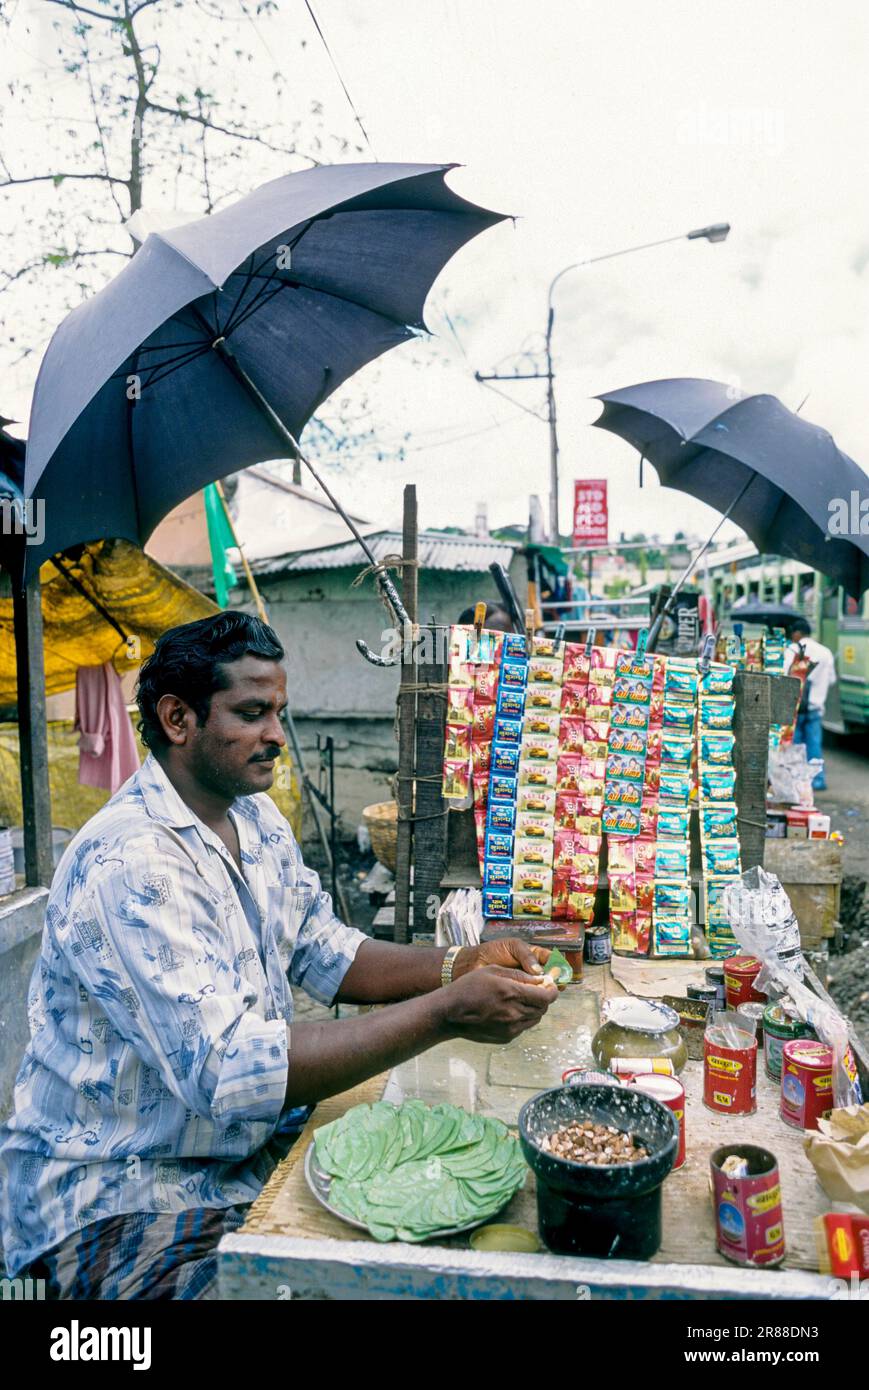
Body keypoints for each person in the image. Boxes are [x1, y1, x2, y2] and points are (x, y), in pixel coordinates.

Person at [0, 613, 555, 1299]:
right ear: (178, 719)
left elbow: (327, 951)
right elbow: (229, 1071)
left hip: (235, 1158)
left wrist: (458, 964)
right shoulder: (134, 863)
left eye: (278, 713)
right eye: (252, 713)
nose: (275, 737)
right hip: (117, 1191)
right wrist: (443, 1014)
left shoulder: (252, 816)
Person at [784, 618, 836, 791]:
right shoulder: (826, 652)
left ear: (797, 633)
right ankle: (818, 780)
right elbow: (832, 680)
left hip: (796, 707)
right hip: (816, 707)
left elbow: (785, 676)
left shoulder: (792, 650)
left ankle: (797, 781)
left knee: (796, 745)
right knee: (814, 744)